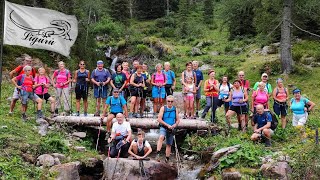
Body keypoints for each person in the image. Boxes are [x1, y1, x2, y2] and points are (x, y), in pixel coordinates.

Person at [156, 95, 180, 163]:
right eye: (168, 101)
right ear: (166, 101)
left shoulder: (175, 109)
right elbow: (159, 119)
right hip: (164, 126)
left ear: (173, 102)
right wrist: (167, 125)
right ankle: (158, 153)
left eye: (171, 101)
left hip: (171, 128)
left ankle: (167, 158)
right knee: (161, 137)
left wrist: (175, 125)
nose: (170, 103)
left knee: (169, 144)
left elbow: (178, 120)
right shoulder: (163, 108)